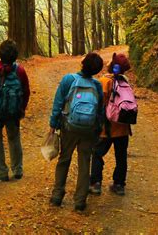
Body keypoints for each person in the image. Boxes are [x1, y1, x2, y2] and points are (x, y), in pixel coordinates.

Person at [49, 52, 104, 211]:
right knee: (85, 163)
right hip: (88, 129)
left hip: (69, 127)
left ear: (83, 63)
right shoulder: (97, 85)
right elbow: (100, 110)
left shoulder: (69, 79)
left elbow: (58, 103)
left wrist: (53, 124)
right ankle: (80, 200)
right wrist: (97, 128)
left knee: (64, 159)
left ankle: (57, 195)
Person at [89, 52, 133, 196]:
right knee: (121, 157)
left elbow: (98, 103)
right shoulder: (125, 82)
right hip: (123, 128)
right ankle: (119, 184)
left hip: (106, 128)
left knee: (97, 153)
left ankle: (95, 183)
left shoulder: (104, 81)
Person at [0, 39, 30, 181]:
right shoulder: (19, 70)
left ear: (0, 53)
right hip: (13, 111)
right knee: (14, 138)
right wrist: (21, 108)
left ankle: (1, 172)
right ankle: (17, 170)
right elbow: (25, 91)